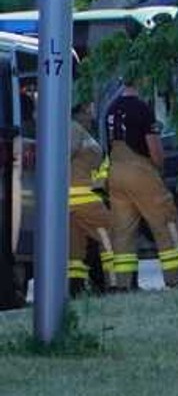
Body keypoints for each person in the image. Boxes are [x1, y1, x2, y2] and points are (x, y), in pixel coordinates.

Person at [104, 79, 178, 289]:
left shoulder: (111, 109)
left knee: (123, 232)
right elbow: (155, 151)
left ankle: (121, 284)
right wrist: (159, 169)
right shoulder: (142, 109)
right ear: (142, 81)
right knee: (166, 222)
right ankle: (177, 278)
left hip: (115, 173)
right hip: (140, 172)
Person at [67, 99, 114, 295]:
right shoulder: (73, 129)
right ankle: (115, 284)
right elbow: (64, 154)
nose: (95, 107)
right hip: (84, 197)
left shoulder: (81, 130)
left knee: (76, 248)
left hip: (76, 200)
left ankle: (75, 289)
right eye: (92, 104)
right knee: (112, 237)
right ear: (84, 107)